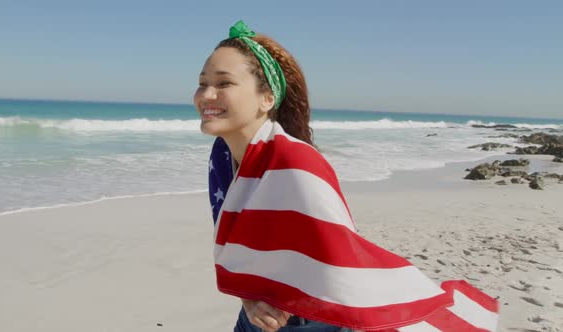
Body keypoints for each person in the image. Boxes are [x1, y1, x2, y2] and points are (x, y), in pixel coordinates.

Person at [194, 21, 498, 332]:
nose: (207, 94)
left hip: (313, 320)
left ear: (267, 98)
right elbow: (237, 246)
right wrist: (249, 298)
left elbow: (340, 254)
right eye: (202, 82)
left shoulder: (295, 160)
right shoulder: (222, 155)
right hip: (257, 315)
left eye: (224, 83)